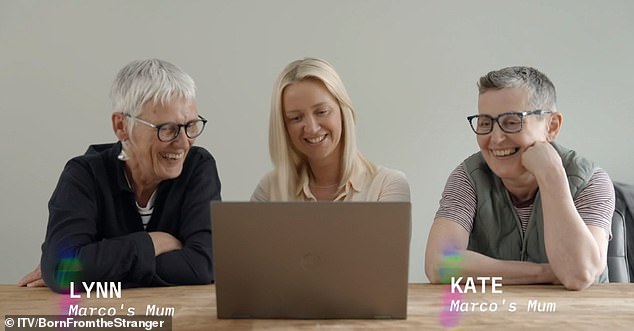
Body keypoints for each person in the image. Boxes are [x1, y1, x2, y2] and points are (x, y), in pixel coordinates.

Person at [18, 59, 221, 292]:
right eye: (167, 129)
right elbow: (63, 271)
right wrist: (153, 242)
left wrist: (94, 273)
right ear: (122, 126)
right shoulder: (84, 175)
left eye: (191, 126)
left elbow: (203, 266)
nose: (184, 143)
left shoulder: (198, 166)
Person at [425, 66, 614, 290]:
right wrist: (546, 272)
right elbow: (440, 264)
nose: (495, 138)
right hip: (492, 314)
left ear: (551, 126)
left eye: (512, 122)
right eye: (485, 123)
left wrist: (551, 176)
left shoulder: (590, 181)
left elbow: (579, 274)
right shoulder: (468, 178)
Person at [251, 57, 410, 202]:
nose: (312, 129)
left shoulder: (386, 186)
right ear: (283, 127)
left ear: (342, 112)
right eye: (296, 118)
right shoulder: (270, 189)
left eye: (321, 112)